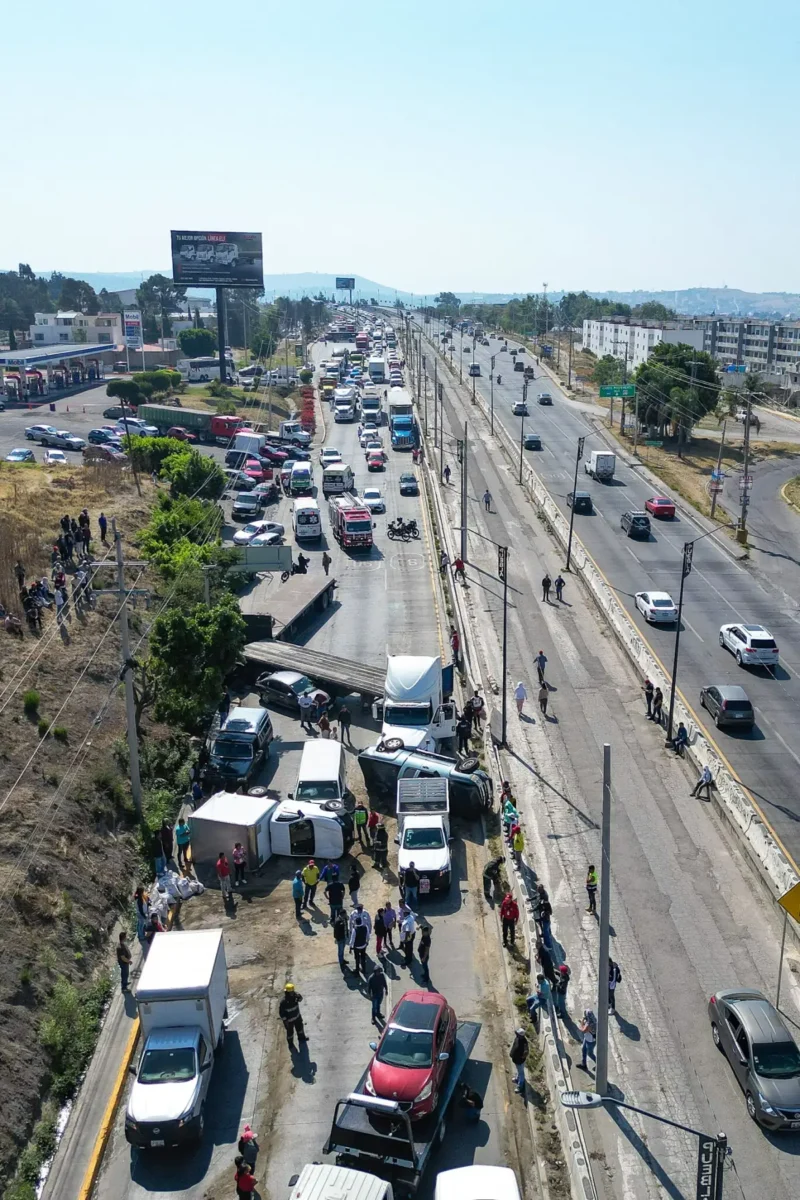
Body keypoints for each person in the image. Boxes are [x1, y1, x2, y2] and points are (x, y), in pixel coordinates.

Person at [279, 982, 308, 1050]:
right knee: (290, 1034)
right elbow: (281, 1013)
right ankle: (291, 1044)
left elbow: (300, 999)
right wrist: (285, 1021)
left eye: (293, 991)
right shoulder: (284, 1002)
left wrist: (299, 996)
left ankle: (302, 1039)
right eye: (291, 992)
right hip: (289, 1022)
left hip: (297, 1018)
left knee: (300, 1029)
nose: (292, 993)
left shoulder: (295, 997)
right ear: (287, 992)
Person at [350, 906, 371, 974]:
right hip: (363, 945)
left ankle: (357, 971)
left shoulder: (355, 929)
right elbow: (368, 936)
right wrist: (367, 942)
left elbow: (352, 939)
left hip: (357, 946)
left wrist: (351, 947)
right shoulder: (365, 927)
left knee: (357, 959)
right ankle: (364, 970)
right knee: (363, 958)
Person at [510, 1028, 529, 1094]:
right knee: (519, 1071)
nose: (516, 1035)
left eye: (518, 1034)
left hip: (520, 1061)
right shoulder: (517, 1038)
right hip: (516, 1060)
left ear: (521, 1035)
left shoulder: (524, 1043)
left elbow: (526, 1052)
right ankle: (517, 1079)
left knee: (521, 1073)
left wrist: (521, 1057)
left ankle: (520, 1086)